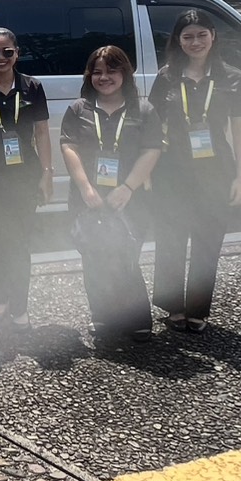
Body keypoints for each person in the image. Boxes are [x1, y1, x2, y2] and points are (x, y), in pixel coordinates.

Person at [148, 9, 241, 334]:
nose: (195, 42)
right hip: (171, 172)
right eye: (188, 36)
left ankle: (197, 309)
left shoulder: (232, 77)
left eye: (201, 35)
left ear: (213, 36)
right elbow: (151, 127)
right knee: (171, 240)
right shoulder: (166, 77)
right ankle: (173, 306)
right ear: (178, 41)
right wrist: (147, 171)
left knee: (208, 244)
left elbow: (240, 132)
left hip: (216, 172)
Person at [59, 45, 163, 342]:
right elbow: (68, 147)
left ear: (125, 74)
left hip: (131, 196)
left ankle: (136, 318)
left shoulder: (143, 110)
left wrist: (128, 187)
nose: (104, 77)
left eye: (112, 71)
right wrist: (85, 188)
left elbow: (152, 149)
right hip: (88, 197)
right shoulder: (78, 109)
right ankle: (102, 316)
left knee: (126, 255)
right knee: (93, 256)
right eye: (97, 72)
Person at [0, 28, 53, 334]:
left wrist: (47, 174)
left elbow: (42, 132)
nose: (1, 58)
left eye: (7, 52)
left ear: (17, 53)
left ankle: (20, 307)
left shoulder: (32, 87)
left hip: (24, 178)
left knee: (19, 243)